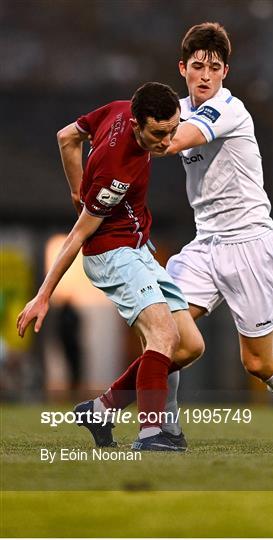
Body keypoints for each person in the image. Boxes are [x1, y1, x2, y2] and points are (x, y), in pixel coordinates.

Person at [17, 82, 204, 451]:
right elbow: (77, 236)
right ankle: (152, 435)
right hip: (112, 253)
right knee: (163, 337)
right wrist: (43, 295)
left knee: (189, 346)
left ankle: (101, 409)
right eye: (158, 133)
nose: (167, 142)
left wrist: (76, 192)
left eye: (173, 130)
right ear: (136, 125)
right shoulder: (115, 170)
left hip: (137, 248)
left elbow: (67, 137)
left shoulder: (121, 108)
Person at [162, 22, 273, 443]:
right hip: (205, 244)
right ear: (183, 68)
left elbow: (178, 140)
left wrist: (138, 134)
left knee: (257, 362)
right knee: (163, 327)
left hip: (250, 243)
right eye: (198, 66)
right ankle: (165, 429)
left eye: (215, 67)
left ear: (224, 72)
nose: (206, 75)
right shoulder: (177, 108)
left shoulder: (228, 109)